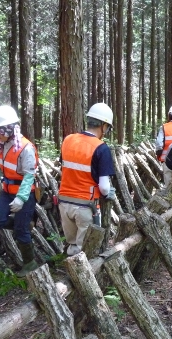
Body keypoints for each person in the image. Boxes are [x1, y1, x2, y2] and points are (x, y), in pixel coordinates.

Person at [58, 103, 116, 256]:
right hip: (85, 206)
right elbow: (104, 187)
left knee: (72, 246)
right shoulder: (101, 148)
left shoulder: (68, 140)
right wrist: (108, 192)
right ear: (103, 126)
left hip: (64, 203)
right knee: (86, 250)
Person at [0, 105, 39, 277]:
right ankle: (22, 225)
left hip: (24, 194)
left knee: (21, 232)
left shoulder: (26, 148)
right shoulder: (4, 143)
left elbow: (29, 175)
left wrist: (21, 198)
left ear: (7, 128)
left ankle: (30, 264)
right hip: (7, 190)